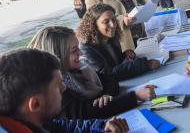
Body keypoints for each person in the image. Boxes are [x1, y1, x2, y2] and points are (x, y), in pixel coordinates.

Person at [27, 26, 156, 119]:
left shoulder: (81, 69)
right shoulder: (57, 87)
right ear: (58, 55)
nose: (81, 53)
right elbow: (87, 112)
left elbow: (110, 80)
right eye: (74, 50)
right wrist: (136, 97)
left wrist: (105, 95)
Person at [0, 49, 128, 133]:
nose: (64, 87)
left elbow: (62, 127)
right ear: (35, 104)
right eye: (57, 85)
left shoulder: (37, 121)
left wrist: (101, 126)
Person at [77, 3, 160, 81]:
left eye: (114, 20)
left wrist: (126, 55)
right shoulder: (86, 48)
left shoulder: (110, 36)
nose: (113, 25)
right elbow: (107, 74)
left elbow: (117, 65)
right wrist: (144, 65)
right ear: (93, 25)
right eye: (106, 22)